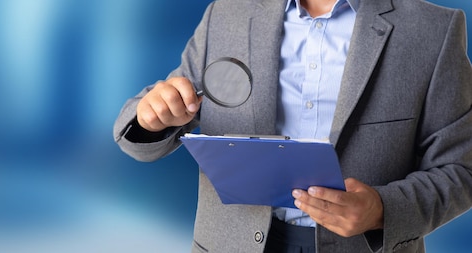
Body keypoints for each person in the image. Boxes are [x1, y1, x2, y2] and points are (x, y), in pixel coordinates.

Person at [113, 0, 472, 252]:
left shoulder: (432, 31)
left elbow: (461, 168)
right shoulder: (226, 14)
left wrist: (382, 209)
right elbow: (161, 110)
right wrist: (151, 118)